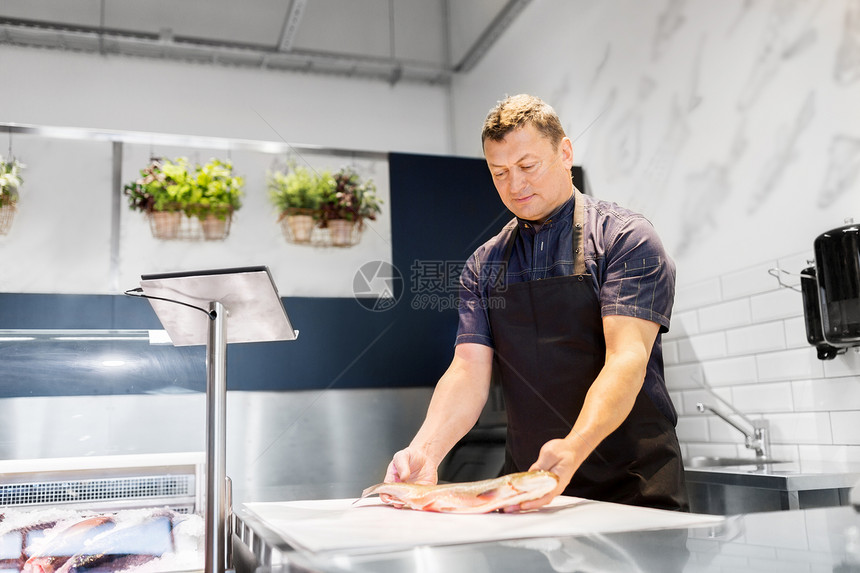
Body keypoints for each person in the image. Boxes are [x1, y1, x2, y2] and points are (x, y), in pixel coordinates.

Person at [385, 94, 688, 512]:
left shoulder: (626, 239)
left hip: (632, 486)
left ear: (565, 152)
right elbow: (468, 369)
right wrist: (426, 450)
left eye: (528, 166)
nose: (515, 185)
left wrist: (574, 447)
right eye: (500, 173)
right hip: (530, 489)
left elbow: (627, 360)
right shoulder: (483, 264)